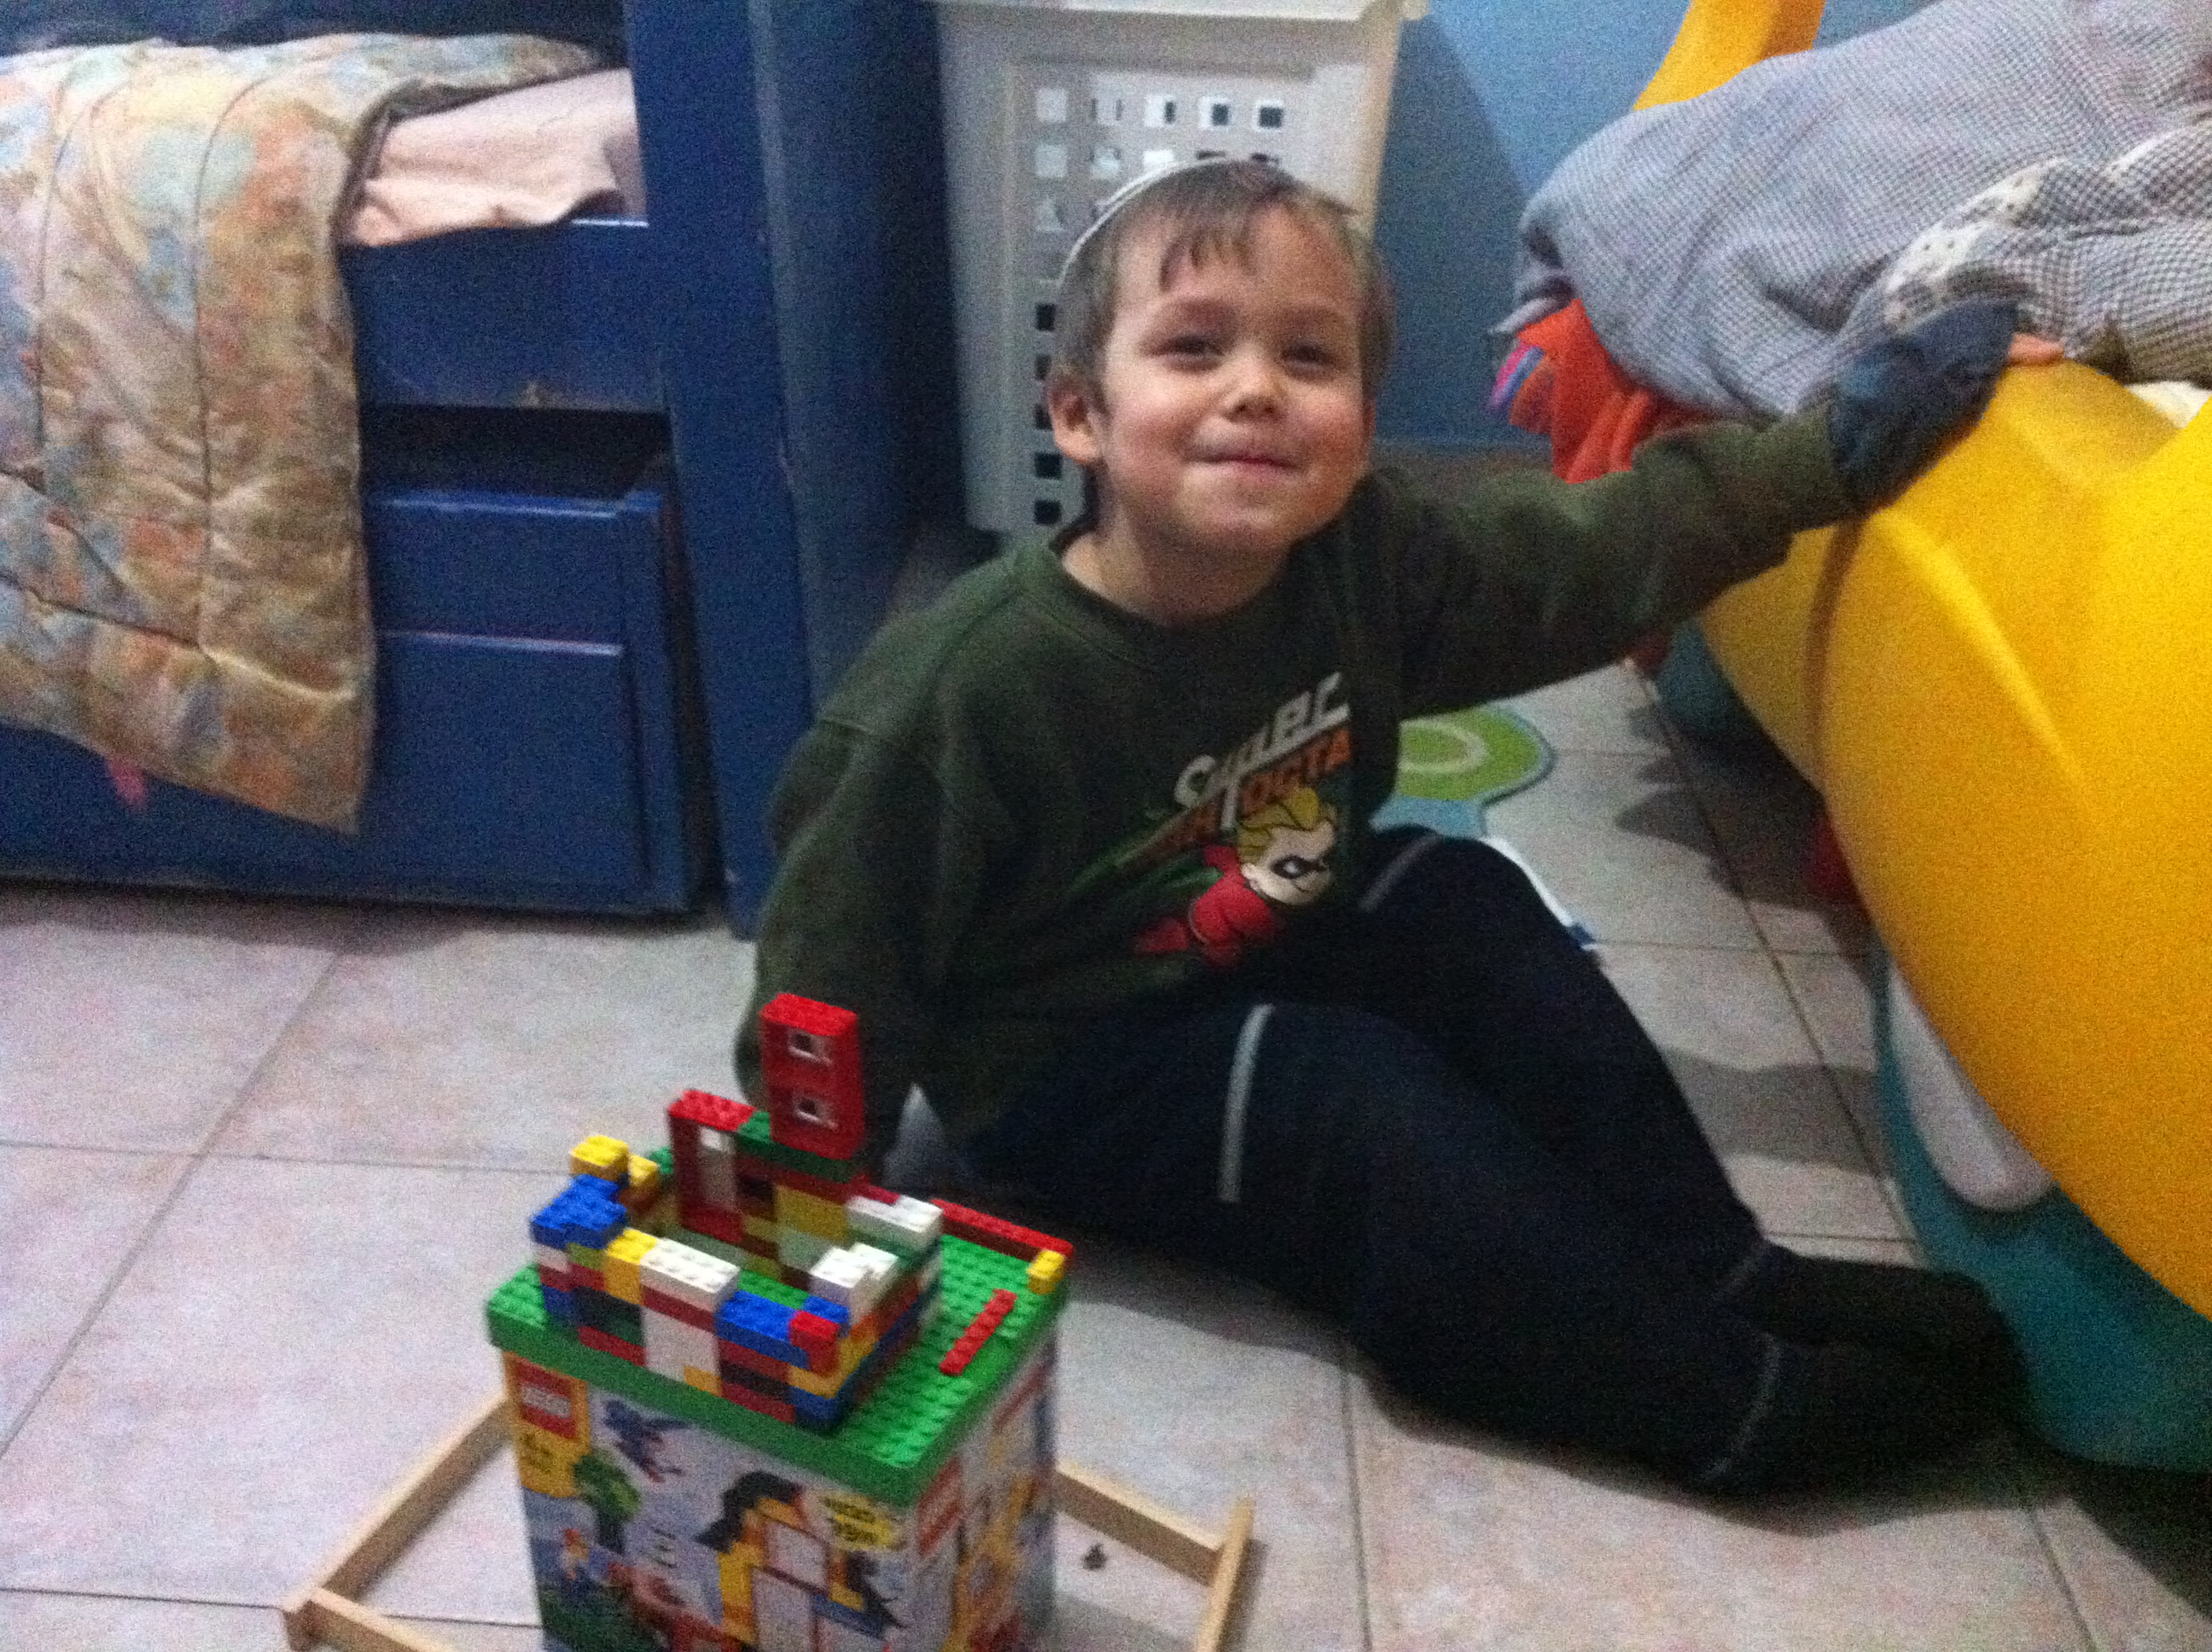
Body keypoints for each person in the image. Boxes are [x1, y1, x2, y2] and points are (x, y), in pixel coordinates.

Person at [738, 158, 2032, 1495]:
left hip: (1248, 936)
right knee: (1347, 1089)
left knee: (1459, 894)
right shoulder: (957, 700)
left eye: (1310, 356)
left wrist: (1828, 454)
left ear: (1362, 425)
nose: (1256, 388)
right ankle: (1725, 1405)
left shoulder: (1364, 559)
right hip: (1066, 1074)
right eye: (1193, 348)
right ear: (1080, 413)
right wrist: (807, 1234)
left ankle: (1722, 1266)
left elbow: (1592, 553)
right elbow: (832, 970)